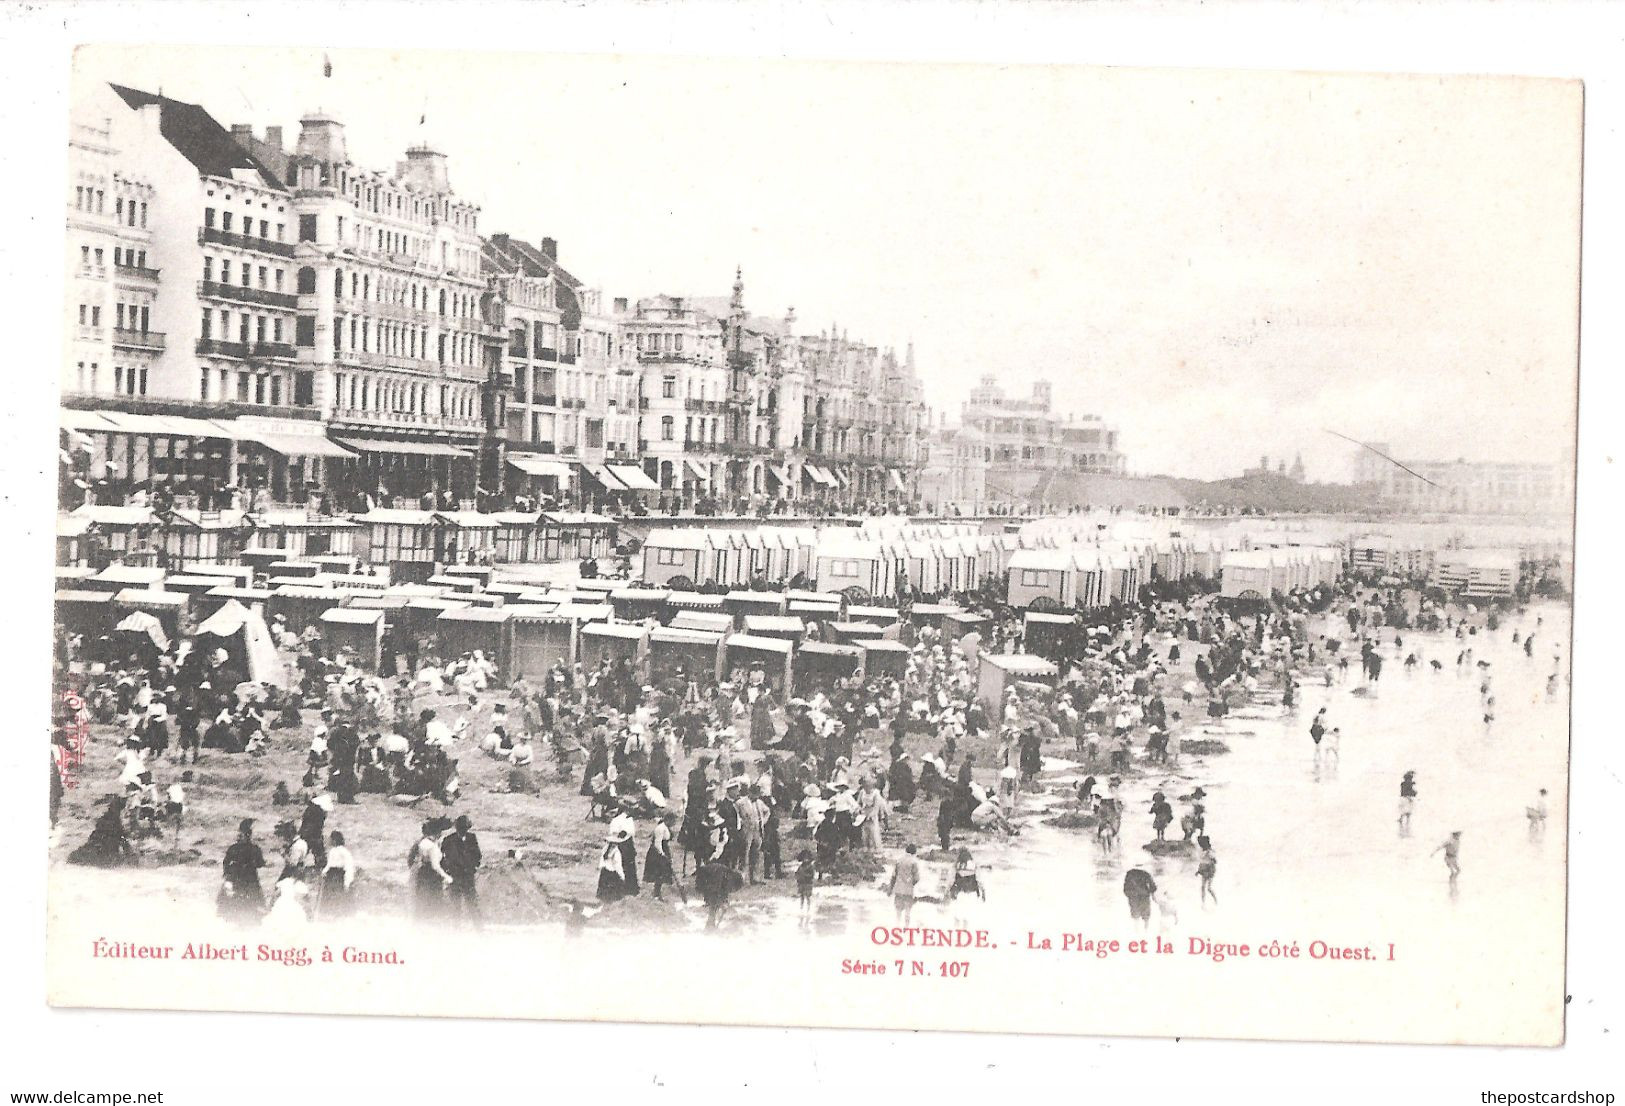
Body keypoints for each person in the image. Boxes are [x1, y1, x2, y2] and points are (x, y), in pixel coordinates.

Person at [218, 818, 267, 924]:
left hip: (236, 878)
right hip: (250, 879)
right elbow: (260, 863)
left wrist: (227, 875)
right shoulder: (255, 848)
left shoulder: (233, 848)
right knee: (251, 901)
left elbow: (226, 863)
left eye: (240, 835)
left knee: (234, 901)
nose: (238, 837)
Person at [440, 815, 483, 928]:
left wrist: (474, 867)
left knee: (472, 904)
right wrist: (447, 871)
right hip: (455, 877)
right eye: (461, 828)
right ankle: (456, 930)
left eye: (465, 828)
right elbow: (442, 858)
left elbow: (477, 855)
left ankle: (480, 930)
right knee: (456, 905)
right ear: (457, 828)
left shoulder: (472, 838)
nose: (463, 830)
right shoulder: (448, 840)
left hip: (468, 877)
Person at [408, 818, 451, 922]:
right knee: (433, 902)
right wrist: (446, 877)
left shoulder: (421, 842)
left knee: (421, 901)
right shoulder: (432, 846)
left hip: (421, 874)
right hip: (432, 877)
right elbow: (435, 865)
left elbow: (410, 859)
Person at [694, 855, 742, 931]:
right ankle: (710, 923)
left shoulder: (726, 876)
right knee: (714, 901)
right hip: (703, 880)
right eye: (732, 889)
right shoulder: (720, 875)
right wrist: (720, 902)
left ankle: (711, 921)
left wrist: (725, 901)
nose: (731, 890)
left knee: (717, 900)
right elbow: (717, 891)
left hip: (709, 881)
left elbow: (724, 890)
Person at [321, 831, 357, 918]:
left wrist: (347, 882)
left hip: (338, 876)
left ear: (335, 840)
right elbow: (329, 864)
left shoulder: (344, 851)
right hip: (330, 876)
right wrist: (324, 872)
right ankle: (328, 915)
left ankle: (337, 915)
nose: (329, 841)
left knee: (337, 897)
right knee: (328, 897)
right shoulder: (332, 851)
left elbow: (349, 866)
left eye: (331, 839)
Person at [646, 811, 678, 900]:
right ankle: (656, 894)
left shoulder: (666, 828)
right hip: (657, 852)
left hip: (664, 849)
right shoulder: (660, 828)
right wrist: (662, 854)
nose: (674, 823)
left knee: (663, 872)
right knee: (659, 872)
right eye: (673, 821)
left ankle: (657, 892)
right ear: (668, 820)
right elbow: (657, 843)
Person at [887, 844, 921, 925]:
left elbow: (893, 876)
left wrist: (890, 889)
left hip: (898, 890)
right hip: (908, 891)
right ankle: (906, 930)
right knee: (907, 913)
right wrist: (911, 884)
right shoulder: (914, 862)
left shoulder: (899, 861)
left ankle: (897, 929)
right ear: (914, 852)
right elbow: (917, 878)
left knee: (898, 913)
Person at [598, 828, 632, 903]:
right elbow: (617, 866)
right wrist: (622, 875)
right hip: (612, 874)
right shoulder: (616, 852)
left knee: (604, 892)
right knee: (612, 894)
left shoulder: (605, 848)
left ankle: (603, 903)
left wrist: (601, 868)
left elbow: (602, 860)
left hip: (604, 872)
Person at [795, 847, 816, 922]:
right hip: (801, 884)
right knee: (802, 897)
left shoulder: (810, 867)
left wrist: (805, 875)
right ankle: (801, 909)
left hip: (808, 884)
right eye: (804, 858)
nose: (805, 860)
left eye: (807, 858)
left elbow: (812, 875)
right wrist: (798, 878)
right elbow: (797, 874)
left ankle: (808, 910)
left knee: (808, 897)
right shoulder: (801, 867)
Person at [1196, 835, 1218, 905]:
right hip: (1204, 869)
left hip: (1209, 870)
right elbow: (1201, 862)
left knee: (1208, 888)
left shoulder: (1210, 851)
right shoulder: (1202, 851)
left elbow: (1214, 861)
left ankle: (1215, 901)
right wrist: (1198, 870)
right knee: (1203, 887)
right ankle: (1203, 902)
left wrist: (1210, 865)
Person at [1398, 771, 1418, 836]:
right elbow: (1411, 791)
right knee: (1408, 811)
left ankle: (1401, 819)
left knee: (1403, 811)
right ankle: (1406, 822)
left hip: (1403, 798)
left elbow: (1403, 791)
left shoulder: (1403, 784)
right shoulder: (1409, 784)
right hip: (1408, 798)